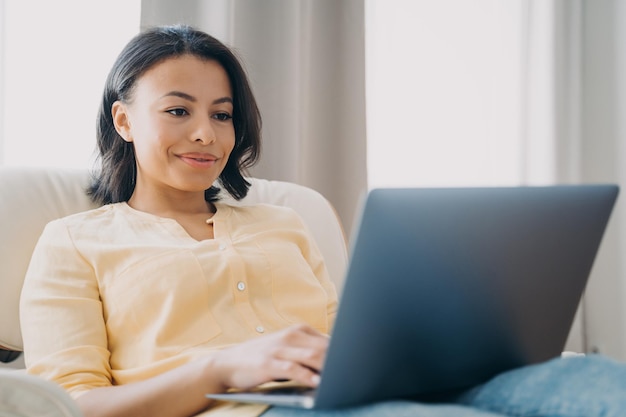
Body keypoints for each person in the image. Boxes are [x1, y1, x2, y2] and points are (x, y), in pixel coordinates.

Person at [18, 24, 626, 417]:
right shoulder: (74, 242)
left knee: (598, 384)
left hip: (349, 392)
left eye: (223, 114)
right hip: (244, 410)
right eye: (178, 110)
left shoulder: (282, 223)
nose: (206, 133)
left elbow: (345, 339)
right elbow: (69, 406)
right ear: (124, 121)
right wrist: (223, 366)